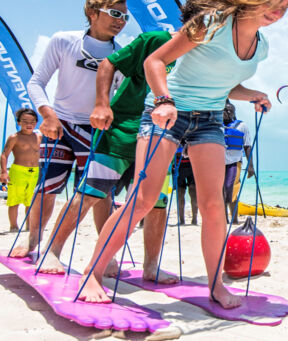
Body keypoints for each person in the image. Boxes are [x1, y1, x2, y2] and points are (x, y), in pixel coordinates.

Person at [76, 0, 288, 306]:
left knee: (214, 204)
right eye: (272, 2)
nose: (278, 11)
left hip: (210, 119)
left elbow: (222, 83)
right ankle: (93, 273)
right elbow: (155, 61)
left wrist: (252, 94)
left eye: (285, 6)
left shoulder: (262, 46)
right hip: (168, 111)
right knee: (143, 199)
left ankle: (215, 285)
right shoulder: (212, 23)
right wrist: (163, 99)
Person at [23, 24, 187, 278]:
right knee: (91, 193)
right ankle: (52, 250)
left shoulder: (203, 53)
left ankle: (151, 266)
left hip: (162, 133)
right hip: (122, 128)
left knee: (157, 203)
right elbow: (107, 64)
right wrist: (101, 104)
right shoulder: (155, 39)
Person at [14, 0, 126, 261]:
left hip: (96, 130)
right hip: (59, 125)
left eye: (125, 17)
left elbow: (118, 97)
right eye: (115, 14)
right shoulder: (64, 40)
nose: (120, 21)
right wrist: (47, 114)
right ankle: (33, 240)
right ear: (92, 12)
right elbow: (36, 82)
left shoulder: (122, 53)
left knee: (100, 193)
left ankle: (105, 255)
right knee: (48, 186)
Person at [0, 109, 41, 232]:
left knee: (30, 201)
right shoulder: (14, 137)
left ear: (36, 123)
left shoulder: (39, 136)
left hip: (35, 171)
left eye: (32, 121)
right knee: (14, 200)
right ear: (18, 122)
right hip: (18, 171)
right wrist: (3, 172)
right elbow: (4, 155)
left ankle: (29, 226)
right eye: (25, 121)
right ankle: (13, 226)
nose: (29, 124)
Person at [222, 101, 255, 220]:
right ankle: (224, 220)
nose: (226, 112)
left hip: (234, 162)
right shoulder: (216, 126)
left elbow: (247, 146)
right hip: (218, 163)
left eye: (229, 111)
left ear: (234, 113)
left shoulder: (242, 126)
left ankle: (234, 219)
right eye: (224, 110)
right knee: (220, 191)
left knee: (230, 188)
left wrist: (251, 166)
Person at [175, 148, 198, 225]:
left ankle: (184, 220)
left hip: (182, 165)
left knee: (182, 193)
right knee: (191, 193)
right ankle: (193, 220)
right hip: (188, 165)